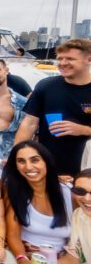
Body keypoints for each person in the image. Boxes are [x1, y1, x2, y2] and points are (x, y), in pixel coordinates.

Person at [15, 39, 91, 180]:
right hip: (47, 166)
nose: (62, 63)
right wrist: (17, 154)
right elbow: (30, 122)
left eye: (70, 58)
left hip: (85, 169)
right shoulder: (46, 86)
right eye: (60, 58)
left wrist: (83, 130)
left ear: (88, 59)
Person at [2, 141, 72, 264]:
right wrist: (22, 259)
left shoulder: (68, 193)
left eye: (35, 160)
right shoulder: (13, 191)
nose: (28, 167)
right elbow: (13, 234)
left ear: (46, 161)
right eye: (21, 161)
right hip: (23, 254)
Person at [58, 169, 91, 264]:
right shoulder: (79, 215)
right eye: (80, 191)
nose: (87, 198)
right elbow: (76, 261)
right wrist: (41, 261)